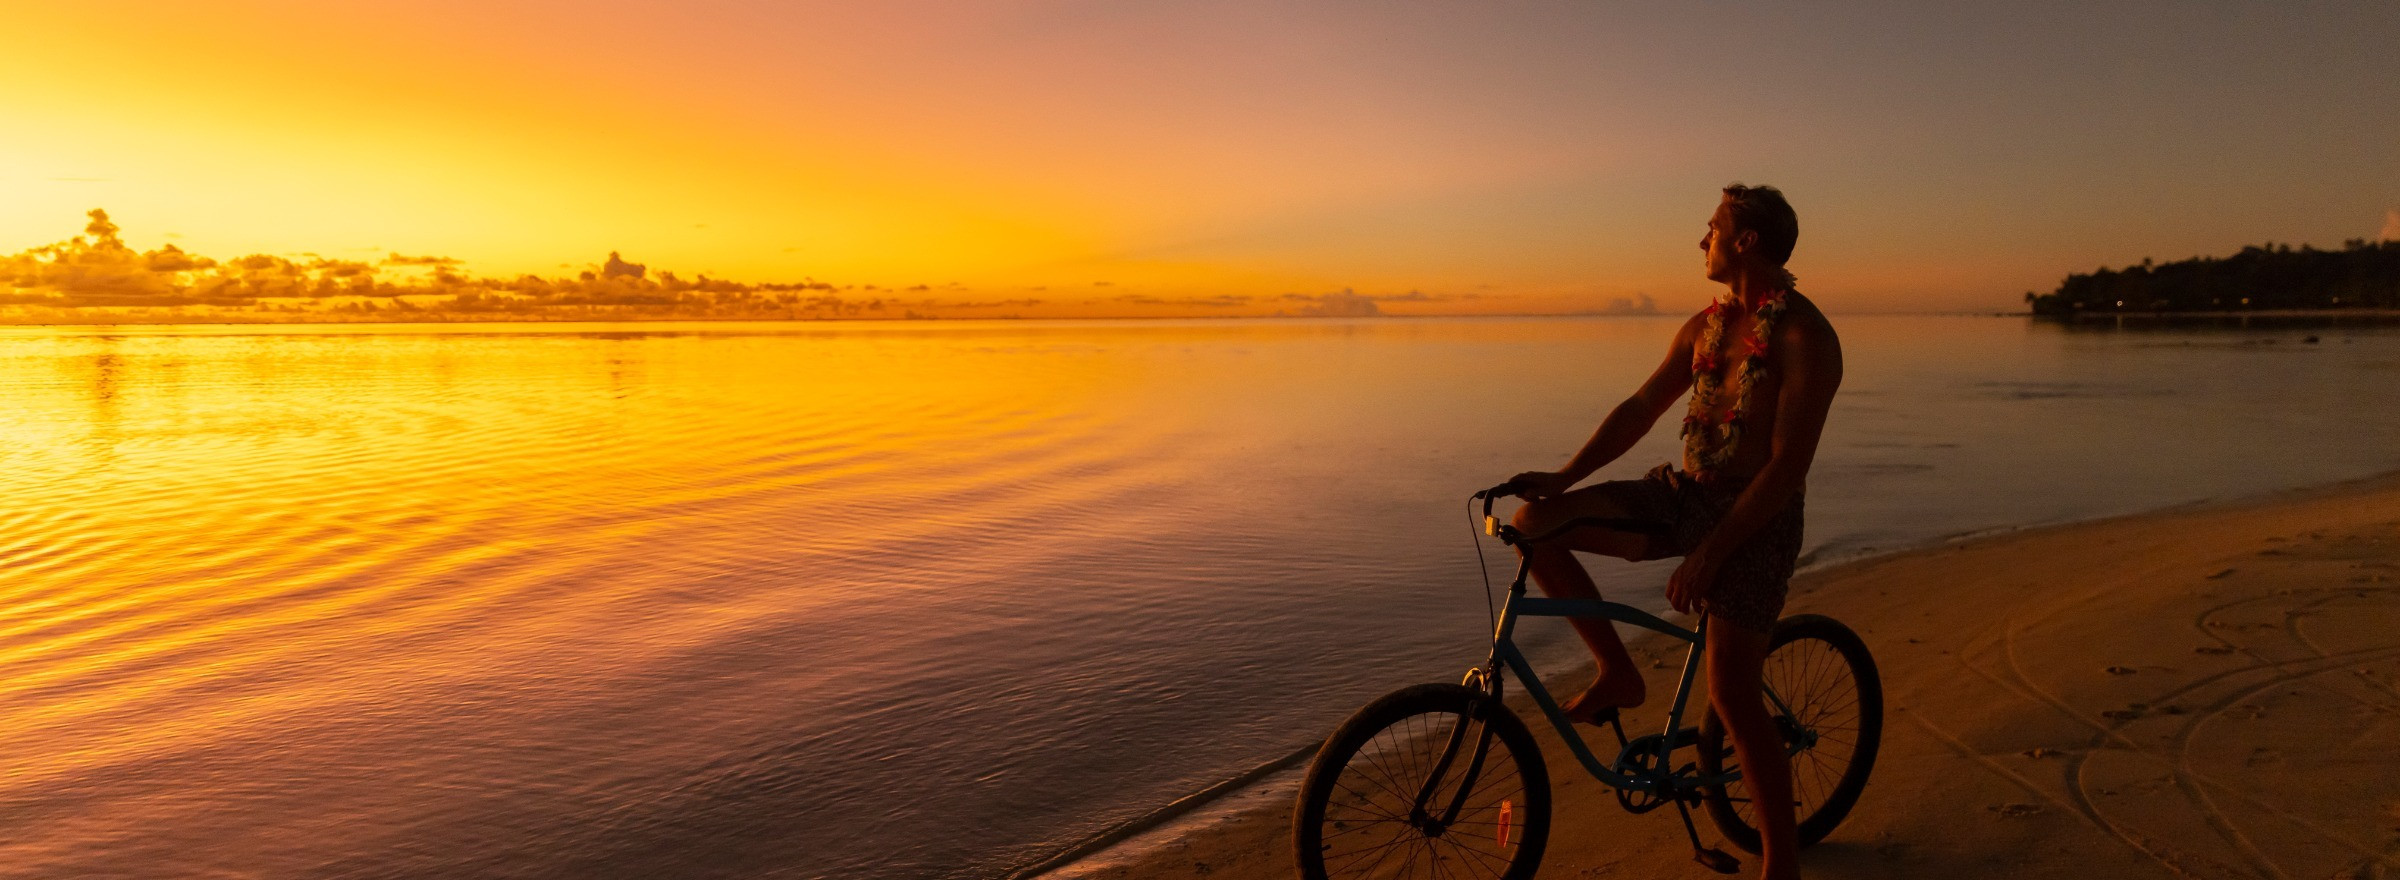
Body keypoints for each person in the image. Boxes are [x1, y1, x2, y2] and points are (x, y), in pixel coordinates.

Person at [1504, 183, 1840, 880]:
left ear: (1745, 242)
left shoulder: (1806, 337)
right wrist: (1565, 478)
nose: (1701, 239)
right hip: (1685, 493)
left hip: (1758, 520)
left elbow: (1786, 469)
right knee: (1535, 524)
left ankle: (1783, 866)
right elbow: (1640, 409)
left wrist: (1712, 555)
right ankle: (1616, 672)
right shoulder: (1702, 328)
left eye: (1711, 228)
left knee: (1732, 695)